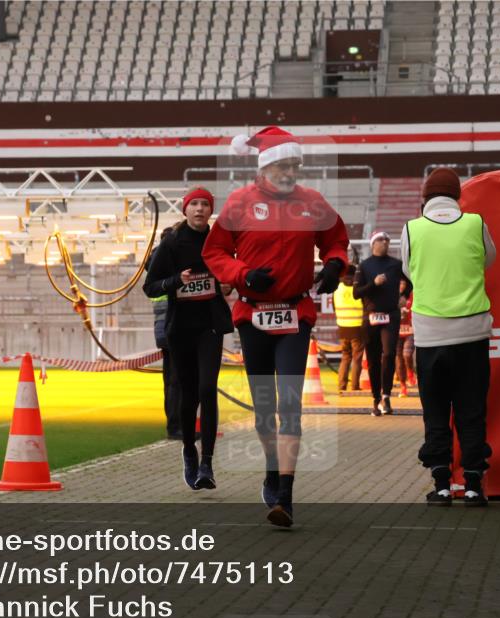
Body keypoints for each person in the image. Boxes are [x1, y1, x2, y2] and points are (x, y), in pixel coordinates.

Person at [203, 126, 349, 527]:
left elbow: (336, 239)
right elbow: (214, 251)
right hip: (253, 316)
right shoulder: (239, 203)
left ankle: (285, 493)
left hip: (294, 316)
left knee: (290, 405)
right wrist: (244, 275)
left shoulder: (312, 202)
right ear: (266, 166)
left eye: (295, 165)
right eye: (283, 165)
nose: (290, 172)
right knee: (265, 409)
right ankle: (271, 467)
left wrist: (336, 263)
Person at [400, 167, 496, 507]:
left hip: (430, 335)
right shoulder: (475, 223)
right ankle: (472, 485)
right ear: (458, 196)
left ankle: (441, 485)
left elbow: (408, 270)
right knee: (472, 410)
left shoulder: (412, 229)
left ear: (425, 197)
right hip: (472, 332)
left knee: (436, 411)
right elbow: (489, 259)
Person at [144, 188, 232, 491]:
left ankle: (206, 463)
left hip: (210, 325)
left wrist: (228, 283)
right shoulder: (171, 244)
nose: (199, 209)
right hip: (181, 328)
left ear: (211, 211)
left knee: (208, 389)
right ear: (185, 209)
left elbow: (230, 274)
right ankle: (188, 450)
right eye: (194, 204)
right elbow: (150, 287)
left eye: (205, 204)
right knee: (187, 393)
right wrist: (174, 281)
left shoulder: (219, 242)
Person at [353, 231, 408, 416]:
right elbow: (356, 293)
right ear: (373, 244)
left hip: (391, 315)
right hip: (370, 316)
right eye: (381, 240)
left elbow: (411, 281)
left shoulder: (396, 264)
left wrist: (404, 296)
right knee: (373, 358)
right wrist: (373, 284)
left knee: (390, 353)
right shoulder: (365, 266)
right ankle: (375, 398)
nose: (385, 242)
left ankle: (386, 395)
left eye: (387, 240)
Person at [146, 226, 182, 440]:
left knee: (173, 379)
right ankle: (175, 427)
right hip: (173, 327)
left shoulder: (158, 265)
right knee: (176, 380)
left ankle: (177, 425)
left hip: (166, 328)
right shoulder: (164, 262)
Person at [333, 264, 365, 392]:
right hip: (357, 328)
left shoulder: (337, 289)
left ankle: (342, 385)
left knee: (345, 357)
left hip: (342, 327)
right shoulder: (358, 288)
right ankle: (355, 386)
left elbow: (334, 307)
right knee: (357, 358)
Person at [394, 279, 416, 397]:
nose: (401, 285)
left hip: (409, 330)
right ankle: (403, 386)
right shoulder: (391, 295)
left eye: (403, 283)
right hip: (396, 331)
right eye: (399, 283)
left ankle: (410, 372)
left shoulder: (411, 295)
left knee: (407, 354)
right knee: (399, 358)